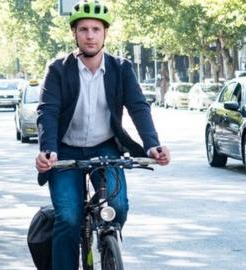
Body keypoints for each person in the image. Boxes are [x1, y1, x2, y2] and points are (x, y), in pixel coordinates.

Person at [35, 1, 171, 269]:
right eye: (83, 29)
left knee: (117, 208)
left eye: (96, 29)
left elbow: (138, 107)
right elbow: (47, 112)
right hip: (65, 151)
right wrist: (47, 150)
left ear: (105, 34)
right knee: (69, 218)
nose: (90, 35)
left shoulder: (121, 69)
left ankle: (107, 245)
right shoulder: (58, 70)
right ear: (74, 33)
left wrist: (152, 145)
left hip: (105, 148)